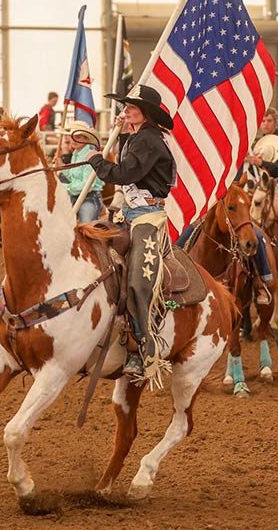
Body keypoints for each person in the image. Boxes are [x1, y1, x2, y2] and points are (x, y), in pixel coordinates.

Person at [85, 85, 176, 385]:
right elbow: (130, 164)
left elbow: (125, 174)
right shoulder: (140, 137)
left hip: (148, 218)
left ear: (146, 113)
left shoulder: (150, 140)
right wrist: (123, 132)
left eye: (132, 107)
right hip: (129, 215)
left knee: (138, 281)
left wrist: (97, 159)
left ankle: (143, 347)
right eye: (125, 106)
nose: (126, 110)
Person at [58, 120, 104, 223]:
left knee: (85, 225)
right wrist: (61, 167)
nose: (74, 140)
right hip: (75, 196)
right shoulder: (75, 154)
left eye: (78, 137)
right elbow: (73, 177)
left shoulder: (90, 155)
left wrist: (64, 187)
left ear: (86, 139)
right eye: (72, 136)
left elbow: (87, 185)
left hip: (90, 198)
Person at [244, 107, 278, 178]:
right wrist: (252, 161)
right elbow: (252, 171)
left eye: (269, 121)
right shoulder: (258, 143)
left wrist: (261, 163)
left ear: (275, 122)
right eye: (263, 121)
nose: (266, 124)